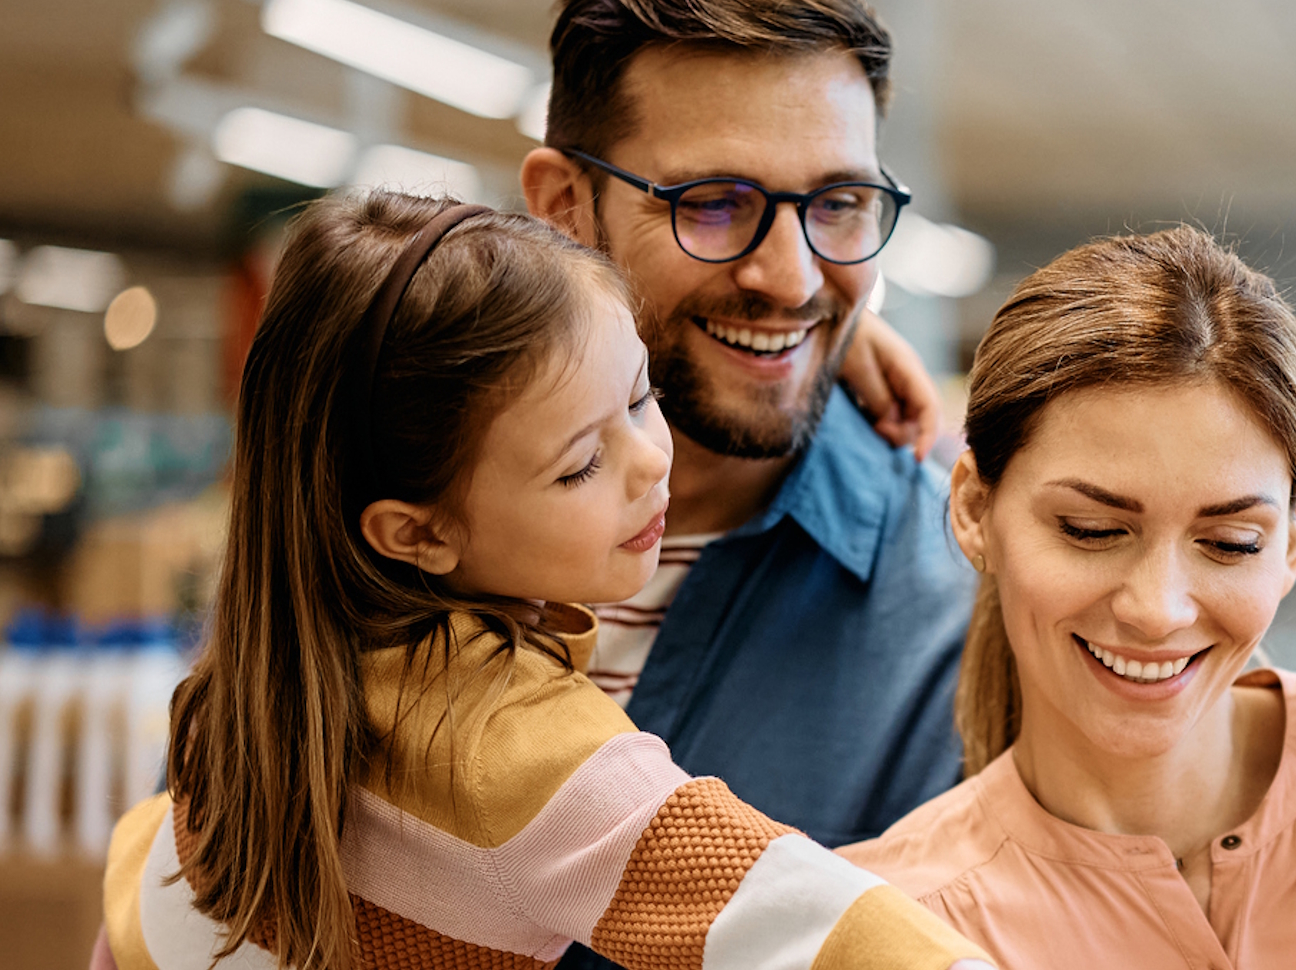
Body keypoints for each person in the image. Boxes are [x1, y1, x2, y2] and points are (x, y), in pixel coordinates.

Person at [96, 191, 988, 970]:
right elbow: (807, 923)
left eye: (641, 397)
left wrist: (827, 342)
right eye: (578, 466)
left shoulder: (250, 691)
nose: (649, 465)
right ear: (417, 531)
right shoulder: (510, 750)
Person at [837, 226, 1296, 968]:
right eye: (1091, 530)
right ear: (971, 509)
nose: (1158, 610)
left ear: (1290, 542)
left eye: (1229, 544)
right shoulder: (893, 924)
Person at [514, 0, 972, 858]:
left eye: (838, 205)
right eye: (714, 204)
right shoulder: (393, 520)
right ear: (564, 206)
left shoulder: (961, 617)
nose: (793, 280)